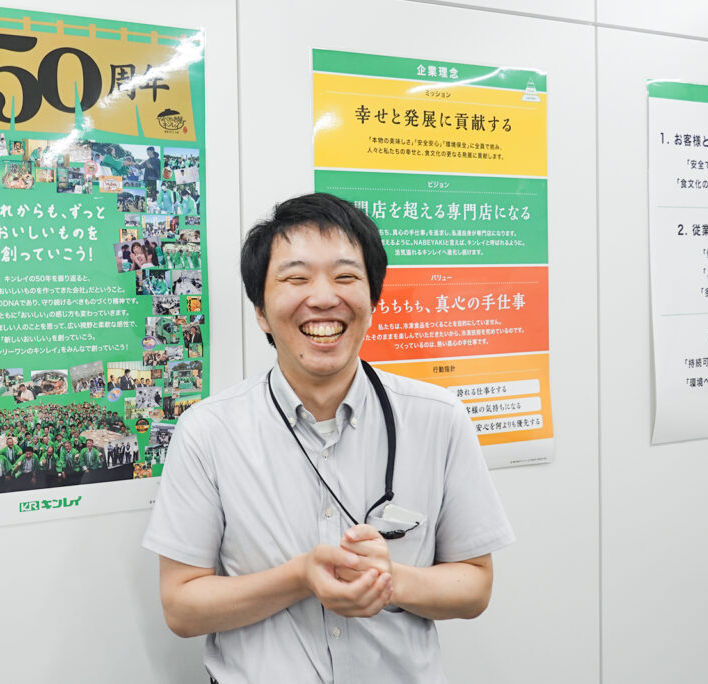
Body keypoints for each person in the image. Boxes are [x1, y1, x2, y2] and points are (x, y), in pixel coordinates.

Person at [142, 193, 514, 683]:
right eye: (296, 279)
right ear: (261, 311)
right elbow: (181, 607)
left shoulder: (438, 418)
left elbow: (474, 587)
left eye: (345, 277)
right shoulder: (208, 431)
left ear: (373, 300)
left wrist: (390, 580)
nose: (322, 298)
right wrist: (300, 578)